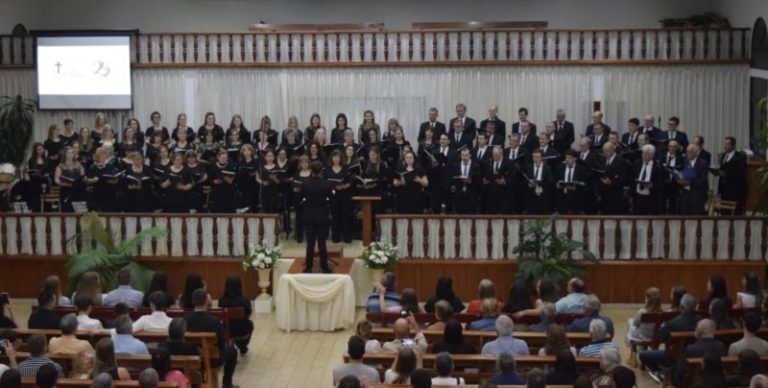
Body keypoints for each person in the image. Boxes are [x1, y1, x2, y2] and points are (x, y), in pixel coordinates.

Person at [185, 289, 238, 388]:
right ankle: (227, 384)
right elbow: (222, 344)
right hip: (212, 359)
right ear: (206, 301)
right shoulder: (214, 321)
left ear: (193, 301)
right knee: (232, 351)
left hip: (192, 358)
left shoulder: (185, 320)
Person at [301, 161, 332, 273]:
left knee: (310, 244)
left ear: (311, 170)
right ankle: (324, 267)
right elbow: (331, 199)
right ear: (320, 171)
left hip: (309, 216)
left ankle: (308, 267)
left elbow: (302, 198)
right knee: (322, 243)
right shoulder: (326, 184)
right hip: (322, 216)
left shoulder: (305, 184)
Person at [219, 275, 254, 355]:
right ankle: (242, 345)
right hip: (241, 329)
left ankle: (234, 345)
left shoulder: (222, 301)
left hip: (226, 329)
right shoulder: (245, 301)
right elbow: (248, 314)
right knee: (250, 324)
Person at [676, 143, 709, 215]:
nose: (687, 153)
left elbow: (703, 181)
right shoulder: (686, 161)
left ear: (696, 152)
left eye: (690, 151)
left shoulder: (702, 163)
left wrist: (688, 182)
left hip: (697, 197)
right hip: (685, 196)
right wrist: (680, 178)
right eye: (687, 151)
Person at [718, 136, 747, 214]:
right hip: (724, 188)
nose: (725, 146)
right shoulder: (724, 155)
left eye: (727, 144)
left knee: (735, 212)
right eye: (724, 144)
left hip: (735, 189)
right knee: (724, 211)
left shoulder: (740, 157)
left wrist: (725, 175)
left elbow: (741, 173)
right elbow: (722, 169)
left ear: (733, 145)